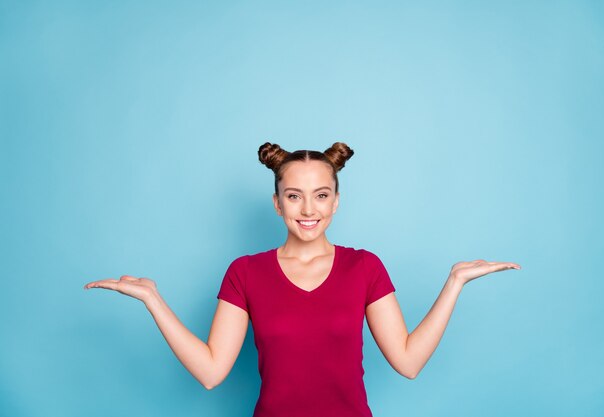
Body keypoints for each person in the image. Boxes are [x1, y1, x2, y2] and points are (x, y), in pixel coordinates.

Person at [84, 142, 521, 417]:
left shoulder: (364, 267)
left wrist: (455, 283)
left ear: (336, 203)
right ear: (276, 203)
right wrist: (153, 299)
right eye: (294, 196)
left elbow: (407, 362)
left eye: (321, 195)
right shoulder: (245, 273)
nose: (308, 209)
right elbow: (212, 372)